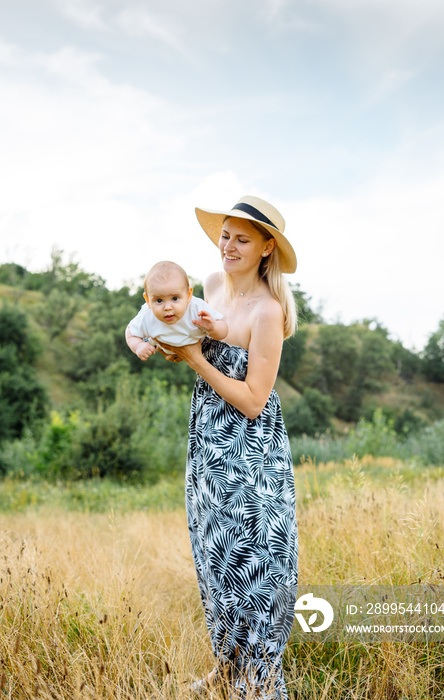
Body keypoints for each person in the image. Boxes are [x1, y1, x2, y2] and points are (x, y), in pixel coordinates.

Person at [156, 196, 299, 700]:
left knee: (255, 563)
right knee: (213, 555)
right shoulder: (212, 287)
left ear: (265, 249)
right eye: (225, 235)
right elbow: (198, 343)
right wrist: (176, 348)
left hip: (250, 455)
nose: (229, 246)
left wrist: (195, 359)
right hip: (208, 446)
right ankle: (226, 666)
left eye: (242, 238)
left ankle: (259, 682)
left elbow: (254, 400)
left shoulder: (269, 311)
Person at [125, 260, 228, 359]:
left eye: (174, 298)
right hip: (165, 347)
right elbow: (130, 331)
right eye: (159, 300)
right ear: (148, 301)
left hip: (199, 349)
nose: (168, 307)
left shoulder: (197, 309)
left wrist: (213, 327)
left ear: (188, 295)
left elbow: (223, 331)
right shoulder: (147, 316)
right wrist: (138, 345)